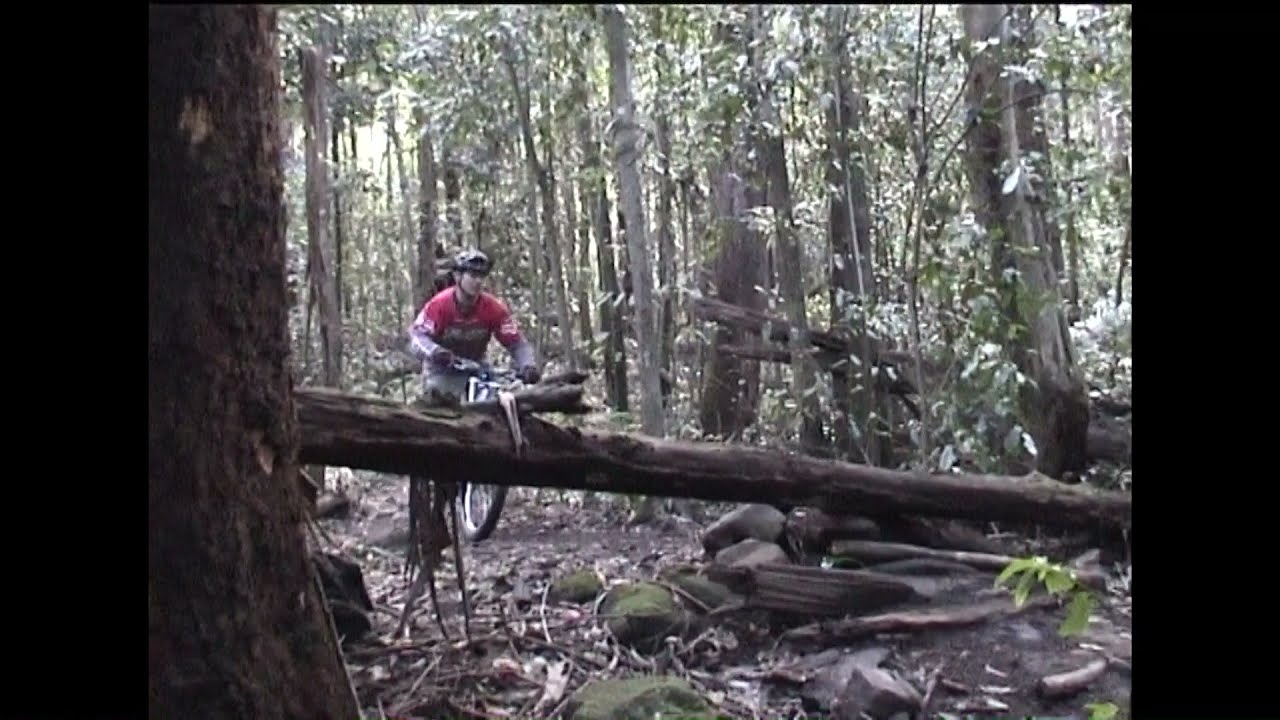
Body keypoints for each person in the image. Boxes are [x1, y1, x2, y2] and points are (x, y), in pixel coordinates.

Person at [409, 248, 541, 403]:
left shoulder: (493, 308)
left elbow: (516, 343)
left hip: (477, 368)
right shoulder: (439, 305)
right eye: (472, 275)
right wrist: (435, 352)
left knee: (502, 405)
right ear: (458, 276)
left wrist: (527, 365)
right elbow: (417, 337)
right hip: (442, 371)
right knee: (440, 407)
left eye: (481, 276)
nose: (477, 281)